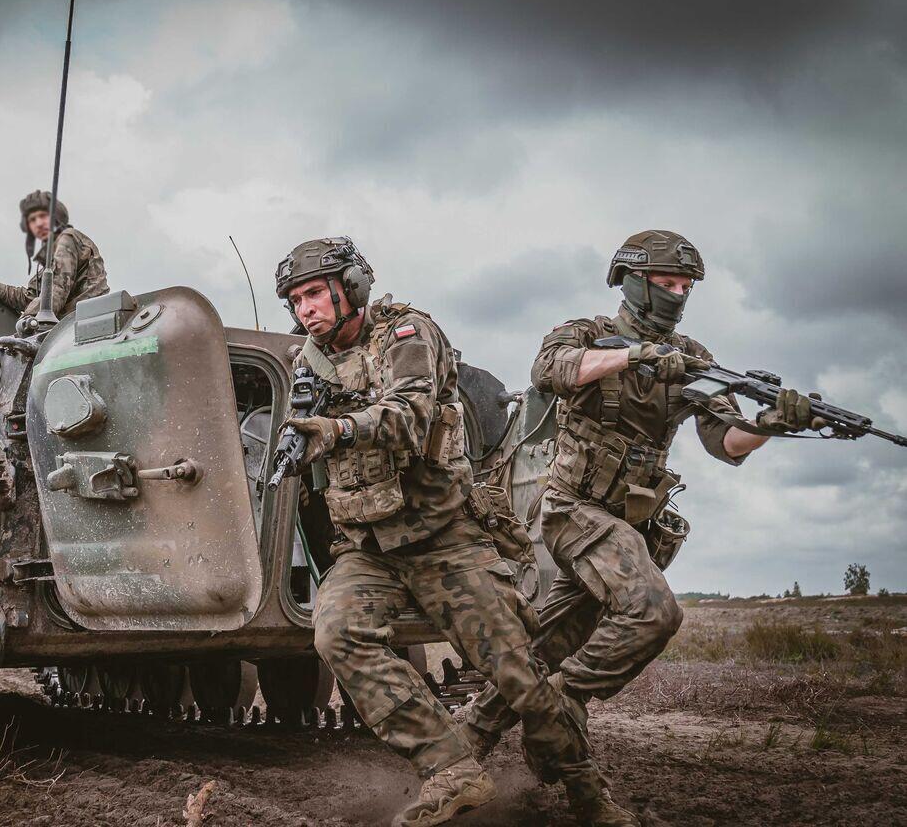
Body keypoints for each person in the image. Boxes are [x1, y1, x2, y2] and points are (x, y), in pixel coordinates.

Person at [274, 237, 635, 827]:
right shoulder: (307, 361)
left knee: (519, 677)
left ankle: (587, 791)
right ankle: (451, 769)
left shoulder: (407, 335)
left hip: (443, 537)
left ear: (352, 288)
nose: (305, 308)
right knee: (336, 633)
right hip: (369, 548)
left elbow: (411, 417)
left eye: (314, 293)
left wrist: (336, 430)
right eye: (295, 300)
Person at [459, 230, 818, 765]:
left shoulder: (694, 358)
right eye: (667, 283)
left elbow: (725, 442)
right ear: (633, 281)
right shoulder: (587, 333)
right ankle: (563, 703)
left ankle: (469, 739)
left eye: (686, 287)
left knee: (548, 644)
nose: (678, 295)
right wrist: (635, 356)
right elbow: (550, 371)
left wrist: (770, 424)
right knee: (654, 611)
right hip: (572, 511)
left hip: (628, 524)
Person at [0, 189, 108, 320]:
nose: (38, 224)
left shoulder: (68, 238)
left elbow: (56, 292)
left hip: (85, 320)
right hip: (71, 325)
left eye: (43, 216)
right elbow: (31, 299)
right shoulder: (51, 257)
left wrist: (25, 325)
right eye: (32, 220)